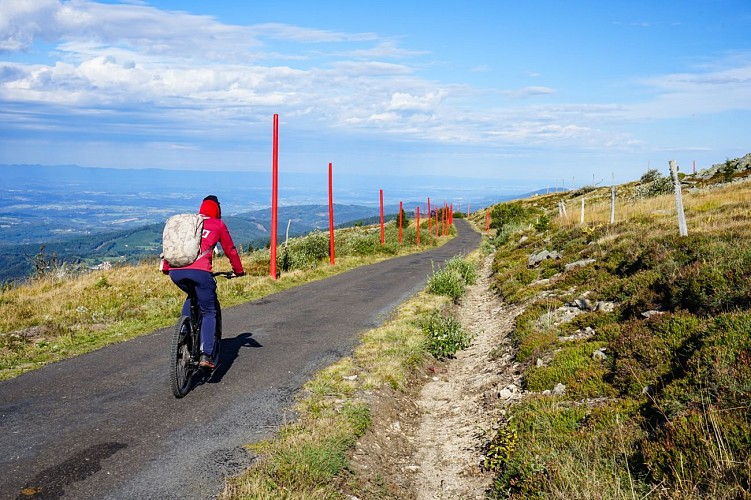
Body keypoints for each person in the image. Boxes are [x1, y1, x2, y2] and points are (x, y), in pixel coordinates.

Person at [162, 195, 245, 369]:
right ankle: (206, 354)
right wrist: (239, 271)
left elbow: (174, 245)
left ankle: (184, 334)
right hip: (201, 274)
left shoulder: (190, 224)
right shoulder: (218, 225)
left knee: (191, 295)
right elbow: (230, 250)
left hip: (175, 272)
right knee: (209, 311)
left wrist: (166, 267)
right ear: (217, 210)